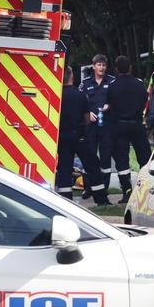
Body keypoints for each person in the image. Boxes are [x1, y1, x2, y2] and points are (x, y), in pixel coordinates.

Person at [55, 66, 110, 205]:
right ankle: (101, 199)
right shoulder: (79, 95)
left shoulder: (57, 95)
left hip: (62, 137)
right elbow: (86, 116)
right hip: (79, 136)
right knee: (92, 165)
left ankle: (66, 200)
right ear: (72, 77)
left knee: (64, 168)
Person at [108, 55, 152, 204]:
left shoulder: (112, 86)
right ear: (130, 68)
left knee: (122, 159)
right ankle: (146, 189)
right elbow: (145, 101)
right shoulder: (139, 84)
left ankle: (127, 191)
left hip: (119, 125)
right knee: (144, 157)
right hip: (136, 124)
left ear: (116, 70)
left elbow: (110, 104)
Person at [79, 54, 116, 191]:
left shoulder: (112, 81)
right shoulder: (85, 83)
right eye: (99, 65)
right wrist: (88, 113)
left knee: (106, 157)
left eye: (104, 65)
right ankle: (87, 188)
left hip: (107, 126)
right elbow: (79, 102)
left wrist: (110, 105)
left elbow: (118, 100)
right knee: (89, 156)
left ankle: (103, 189)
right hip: (91, 127)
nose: (101, 67)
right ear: (93, 66)